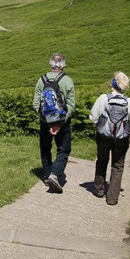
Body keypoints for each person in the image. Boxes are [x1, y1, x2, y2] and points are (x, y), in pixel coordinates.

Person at [89, 71, 130, 205]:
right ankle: (112, 198)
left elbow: (93, 117)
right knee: (117, 166)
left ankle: (99, 190)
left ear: (113, 83)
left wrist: (101, 124)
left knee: (102, 161)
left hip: (103, 136)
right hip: (122, 139)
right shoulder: (129, 102)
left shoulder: (103, 98)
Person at [32, 53, 76, 193]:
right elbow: (71, 105)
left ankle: (46, 176)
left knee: (45, 148)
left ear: (50, 63)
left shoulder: (41, 80)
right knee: (64, 149)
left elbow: (36, 105)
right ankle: (55, 174)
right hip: (62, 122)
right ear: (63, 65)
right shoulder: (67, 81)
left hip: (44, 121)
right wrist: (59, 123)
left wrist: (47, 122)